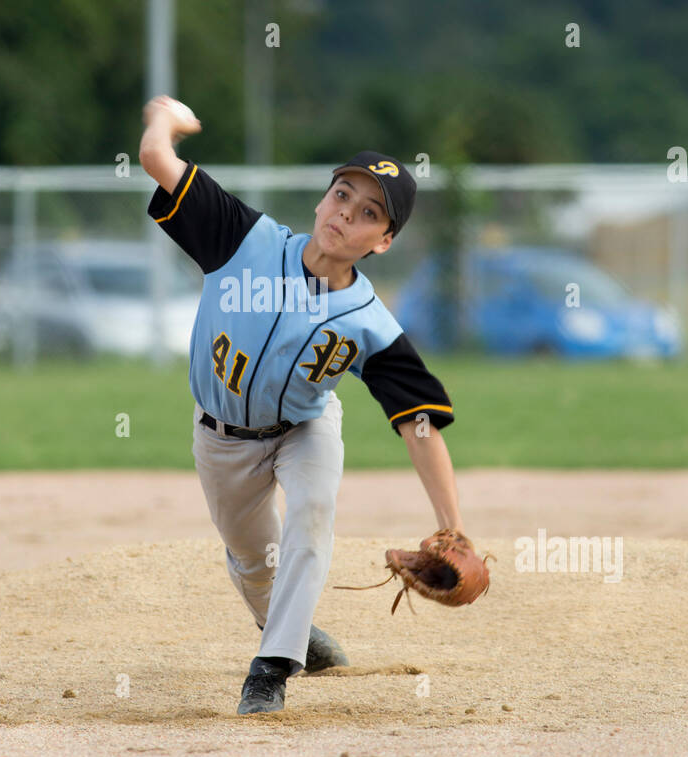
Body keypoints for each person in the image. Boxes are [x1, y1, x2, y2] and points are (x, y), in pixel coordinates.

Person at [139, 95, 463, 716]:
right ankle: (294, 638)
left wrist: (452, 525)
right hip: (220, 440)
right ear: (322, 199)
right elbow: (157, 156)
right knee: (253, 562)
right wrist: (168, 118)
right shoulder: (243, 239)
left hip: (304, 428)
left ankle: (270, 669)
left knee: (313, 513)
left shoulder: (370, 322)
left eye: (369, 213)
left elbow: (419, 425)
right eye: (343, 195)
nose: (347, 214)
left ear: (384, 240)